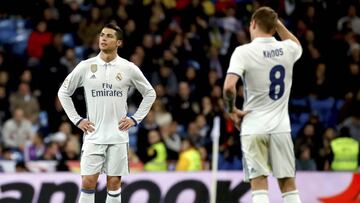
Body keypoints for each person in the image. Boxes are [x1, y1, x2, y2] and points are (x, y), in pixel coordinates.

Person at [58, 23, 156, 203]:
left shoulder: (128, 68)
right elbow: (63, 92)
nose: (103, 38)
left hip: (118, 136)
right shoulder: (86, 66)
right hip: (93, 134)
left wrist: (135, 119)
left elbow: (150, 93)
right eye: (102, 35)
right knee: (88, 182)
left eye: (109, 36)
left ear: (119, 42)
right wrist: (77, 120)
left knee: (114, 183)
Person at [223, 7, 302, 203]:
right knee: (289, 186)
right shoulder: (288, 49)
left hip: (253, 125)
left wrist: (231, 109)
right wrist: (277, 24)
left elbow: (229, 87)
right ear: (275, 27)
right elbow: (296, 44)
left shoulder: (243, 52)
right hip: (281, 128)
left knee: (259, 186)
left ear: (253, 24)